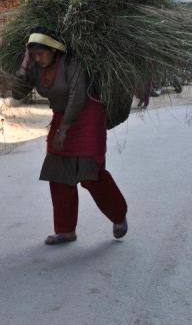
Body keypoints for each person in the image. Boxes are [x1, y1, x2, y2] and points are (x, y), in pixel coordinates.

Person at [13, 27, 128, 245]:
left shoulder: (71, 63)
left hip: (87, 116)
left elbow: (77, 96)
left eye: (41, 54)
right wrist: (23, 67)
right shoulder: (35, 68)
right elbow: (17, 93)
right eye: (33, 54)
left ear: (54, 50)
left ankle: (118, 215)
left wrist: (64, 129)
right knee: (58, 174)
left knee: (90, 173)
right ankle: (65, 230)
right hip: (61, 117)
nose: (37, 58)